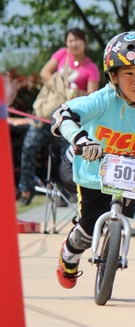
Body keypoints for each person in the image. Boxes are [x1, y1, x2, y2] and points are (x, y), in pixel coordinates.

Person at [51, 32, 135, 288]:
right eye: (129, 74)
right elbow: (63, 114)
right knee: (87, 232)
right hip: (95, 172)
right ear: (113, 76)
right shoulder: (103, 99)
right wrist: (81, 140)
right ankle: (68, 256)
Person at [18, 28, 100, 206]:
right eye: (70, 40)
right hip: (47, 115)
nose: (73, 44)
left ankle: (65, 192)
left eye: (77, 40)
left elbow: (93, 96)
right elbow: (44, 73)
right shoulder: (62, 55)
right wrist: (60, 85)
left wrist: (78, 92)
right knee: (29, 147)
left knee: (66, 157)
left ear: (85, 42)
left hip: (70, 120)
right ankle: (26, 188)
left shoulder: (91, 68)